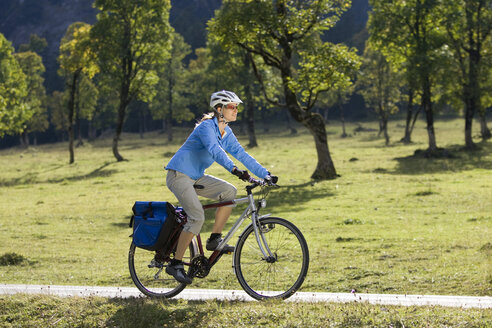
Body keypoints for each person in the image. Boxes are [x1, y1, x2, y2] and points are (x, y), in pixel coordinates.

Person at [164, 90, 277, 284]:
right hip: (179, 175)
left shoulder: (227, 132)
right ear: (219, 109)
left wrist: (265, 174)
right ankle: (175, 264)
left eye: (237, 107)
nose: (236, 110)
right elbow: (215, 151)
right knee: (197, 217)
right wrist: (234, 170)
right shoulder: (206, 127)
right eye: (232, 107)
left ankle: (214, 239)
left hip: (196, 177)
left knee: (229, 191)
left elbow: (242, 154)